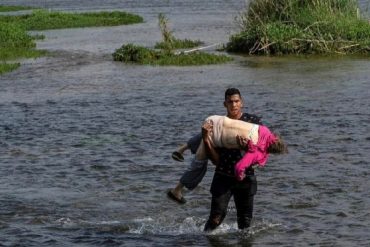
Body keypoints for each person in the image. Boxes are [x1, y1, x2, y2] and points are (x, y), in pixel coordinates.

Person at [167, 88, 262, 205]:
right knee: (202, 151)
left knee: (209, 136)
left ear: (241, 102)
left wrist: (248, 147)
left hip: (245, 174)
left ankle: (182, 152)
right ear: (225, 104)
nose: (234, 105)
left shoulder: (251, 120)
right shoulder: (220, 121)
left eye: (236, 101)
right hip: (223, 170)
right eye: (230, 102)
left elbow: (260, 145)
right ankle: (178, 186)